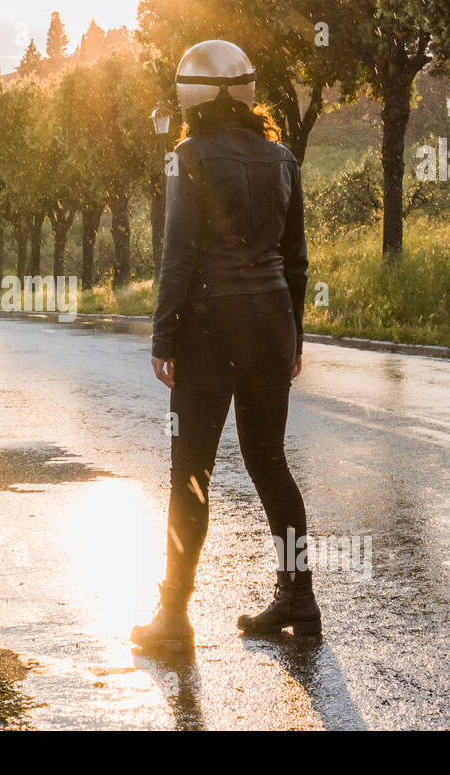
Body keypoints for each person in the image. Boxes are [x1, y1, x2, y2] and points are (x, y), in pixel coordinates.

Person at [131, 39, 318, 653]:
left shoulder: (187, 156)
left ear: (191, 94)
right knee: (269, 461)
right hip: (272, 323)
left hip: (212, 327)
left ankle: (174, 618)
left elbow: (178, 253)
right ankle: (298, 597)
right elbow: (295, 261)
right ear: (246, 90)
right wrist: (295, 334)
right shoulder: (283, 158)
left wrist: (163, 334)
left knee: (191, 474)